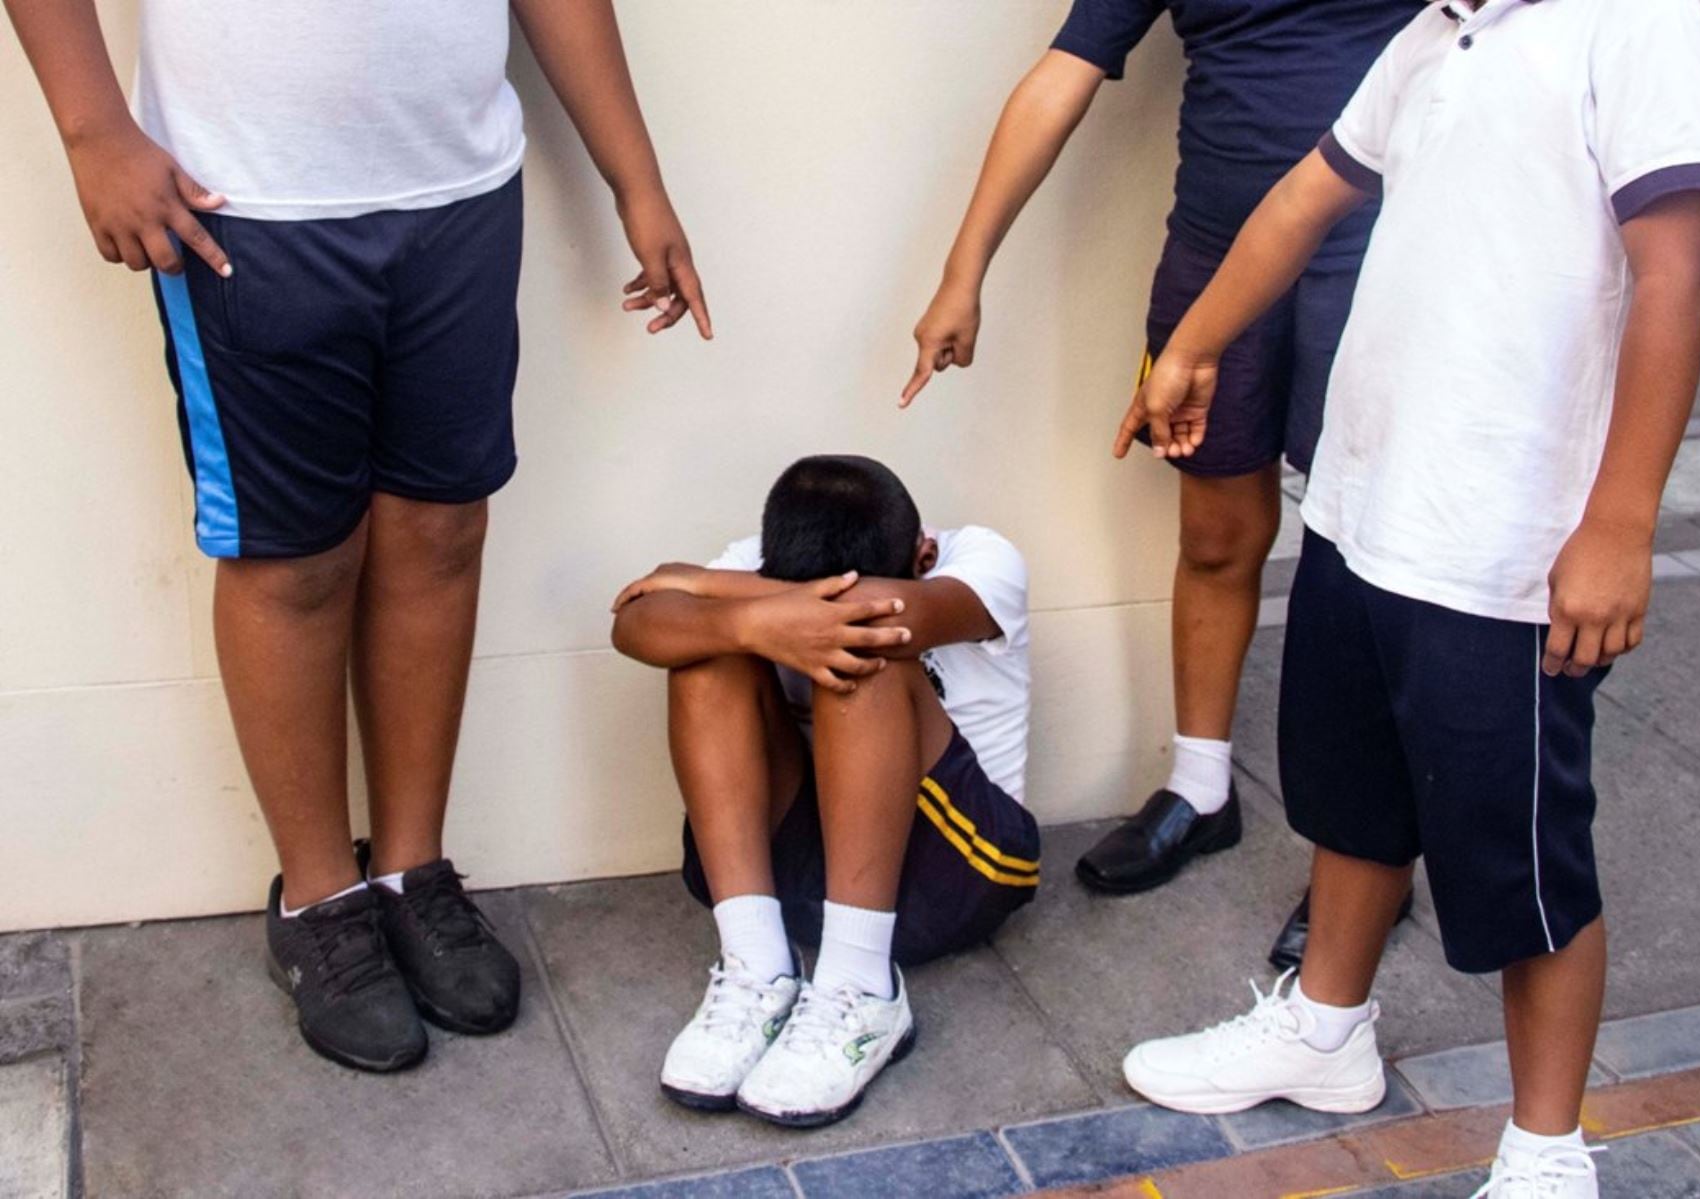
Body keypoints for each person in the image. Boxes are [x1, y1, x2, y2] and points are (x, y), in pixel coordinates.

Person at [5, 0, 711, 1071]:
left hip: (457, 191)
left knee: (439, 529)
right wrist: (93, 129)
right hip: (241, 203)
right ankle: (319, 898)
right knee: (294, 559)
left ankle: (409, 870)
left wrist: (638, 178)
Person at [1112, 1, 1700, 1195]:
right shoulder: (1436, 32)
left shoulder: (1641, 24)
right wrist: (1193, 343)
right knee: (1355, 802)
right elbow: (1304, 195)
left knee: (1526, 866)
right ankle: (1325, 1030)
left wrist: (1620, 522)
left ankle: (1546, 1150)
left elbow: (1676, 274)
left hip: (1507, 549)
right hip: (1364, 503)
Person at [901, 0, 1418, 962]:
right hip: (1214, 250)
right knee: (1217, 534)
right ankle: (1202, 787)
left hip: (1380, 247)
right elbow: (1063, 73)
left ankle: (1365, 859)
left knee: (1367, 567)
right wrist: (964, 270)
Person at [611, 455, 1037, 1127]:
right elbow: (633, 625)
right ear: (768, 567)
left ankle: (862, 986)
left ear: (922, 553)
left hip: (957, 870)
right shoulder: (757, 559)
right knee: (704, 655)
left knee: (863, 656)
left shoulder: (980, 557)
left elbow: (878, 611)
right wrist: (746, 622)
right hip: (796, 878)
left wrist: (709, 588)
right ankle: (757, 968)